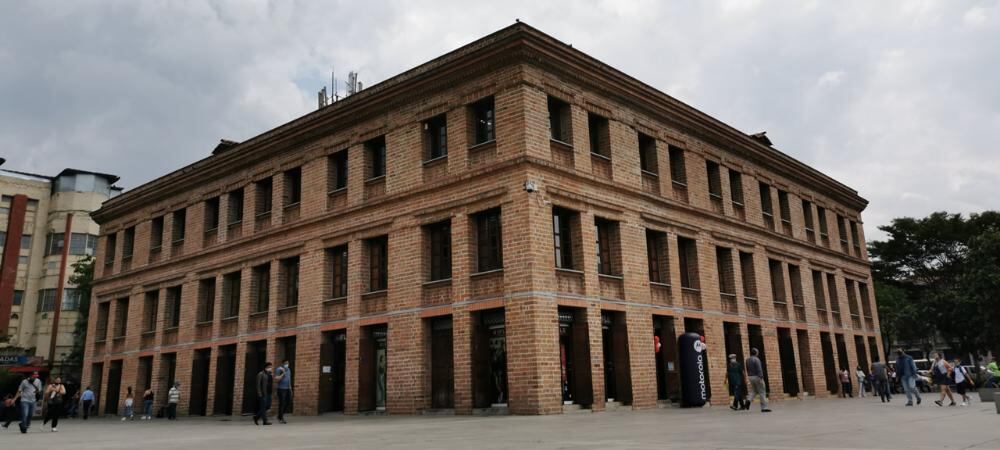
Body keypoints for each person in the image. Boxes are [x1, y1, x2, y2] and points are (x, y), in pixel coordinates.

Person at [744, 348, 771, 412]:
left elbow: (747, 369)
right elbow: (759, 369)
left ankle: (748, 400)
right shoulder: (756, 359)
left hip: (750, 377)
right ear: (756, 353)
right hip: (757, 377)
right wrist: (761, 377)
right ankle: (764, 408)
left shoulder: (747, 360)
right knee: (762, 392)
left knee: (754, 390)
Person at [275, 359, 293, 424]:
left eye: (287, 363)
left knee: (289, 402)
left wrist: (290, 389)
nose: (287, 365)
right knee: (282, 403)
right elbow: (277, 379)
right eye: (285, 363)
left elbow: (289, 379)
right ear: (282, 364)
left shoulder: (289, 370)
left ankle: (280, 415)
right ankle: (281, 418)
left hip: (287, 388)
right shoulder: (279, 369)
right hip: (281, 389)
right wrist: (283, 373)